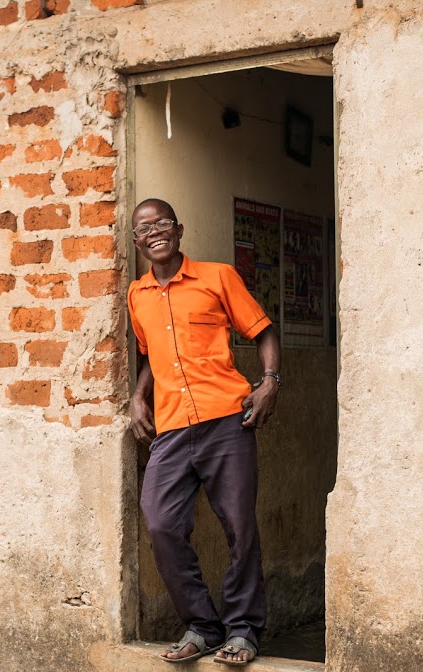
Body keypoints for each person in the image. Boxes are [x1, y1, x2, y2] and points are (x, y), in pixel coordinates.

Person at [127, 198, 281, 666]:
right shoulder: (136, 295)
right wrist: (138, 396)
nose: (154, 232)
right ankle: (203, 625)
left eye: (162, 224)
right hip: (171, 428)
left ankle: (242, 630)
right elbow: (152, 353)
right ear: (136, 241)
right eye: (143, 228)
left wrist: (270, 382)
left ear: (179, 230)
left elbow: (263, 331)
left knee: (238, 525)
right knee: (159, 521)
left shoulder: (218, 277)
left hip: (224, 420)